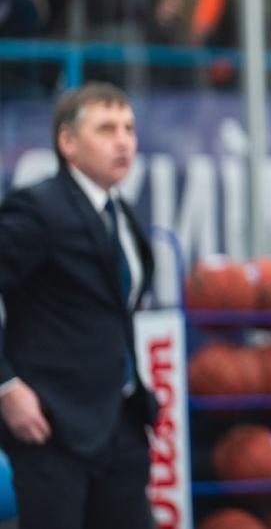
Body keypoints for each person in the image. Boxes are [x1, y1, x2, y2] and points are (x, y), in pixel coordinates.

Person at [0, 82, 157, 528]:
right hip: (52, 425)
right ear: (67, 142)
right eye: (106, 129)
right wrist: (6, 386)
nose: (123, 141)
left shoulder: (121, 213)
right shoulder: (37, 207)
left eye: (129, 128)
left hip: (120, 422)